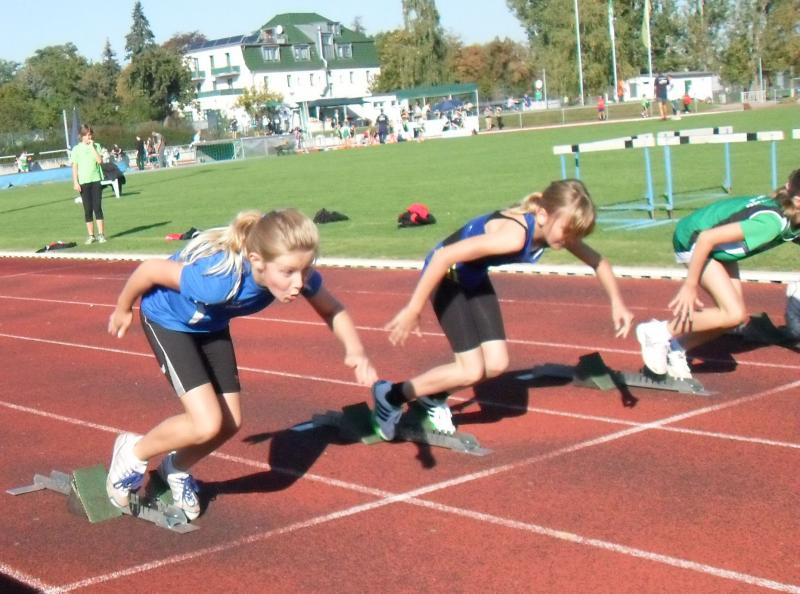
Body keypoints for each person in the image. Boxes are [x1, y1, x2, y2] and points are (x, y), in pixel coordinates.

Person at [105, 208, 378, 519]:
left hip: (211, 325)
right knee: (206, 423)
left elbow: (333, 309)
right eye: (288, 272)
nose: (299, 283)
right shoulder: (218, 280)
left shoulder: (293, 272)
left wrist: (355, 350)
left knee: (230, 423)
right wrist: (123, 307)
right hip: (167, 319)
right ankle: (133, 453)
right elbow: (150, 270)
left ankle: (175, 468)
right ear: (257, 261)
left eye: (305, 270)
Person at [370, 180, 634, 440]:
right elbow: (442, 257)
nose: (570, 240)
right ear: (543, 215)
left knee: (496, 364)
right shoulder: (513, 237)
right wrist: (414, 308)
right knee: (470, 370)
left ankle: (433, 397)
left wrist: (617, 303)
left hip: (473, 276)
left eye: (576, 235)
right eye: (567, 232)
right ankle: (390, 396)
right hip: (445, 276)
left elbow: (599, 262)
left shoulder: (556, 230)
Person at [636, 169, 800, 380]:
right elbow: (707, 238)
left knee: (733, 319)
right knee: (733, 314)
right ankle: (657, 332)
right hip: (694, 238)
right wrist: (690, 286)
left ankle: (677, 348)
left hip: (721, 248)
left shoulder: (791, 217)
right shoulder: (771, 223)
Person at [71, 125, 107, 244]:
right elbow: (74, 166)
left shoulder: (96, 146)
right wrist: (75, 182)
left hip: (95, 180)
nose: (89, 137)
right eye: (87, 135)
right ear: (82, 136)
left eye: (90, 135)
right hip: (83, 182)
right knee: (88, 210)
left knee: (97, 207)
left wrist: (92, 147)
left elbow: (99, 161)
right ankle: (91, 235)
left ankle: (101, 234)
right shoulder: (76, 149)